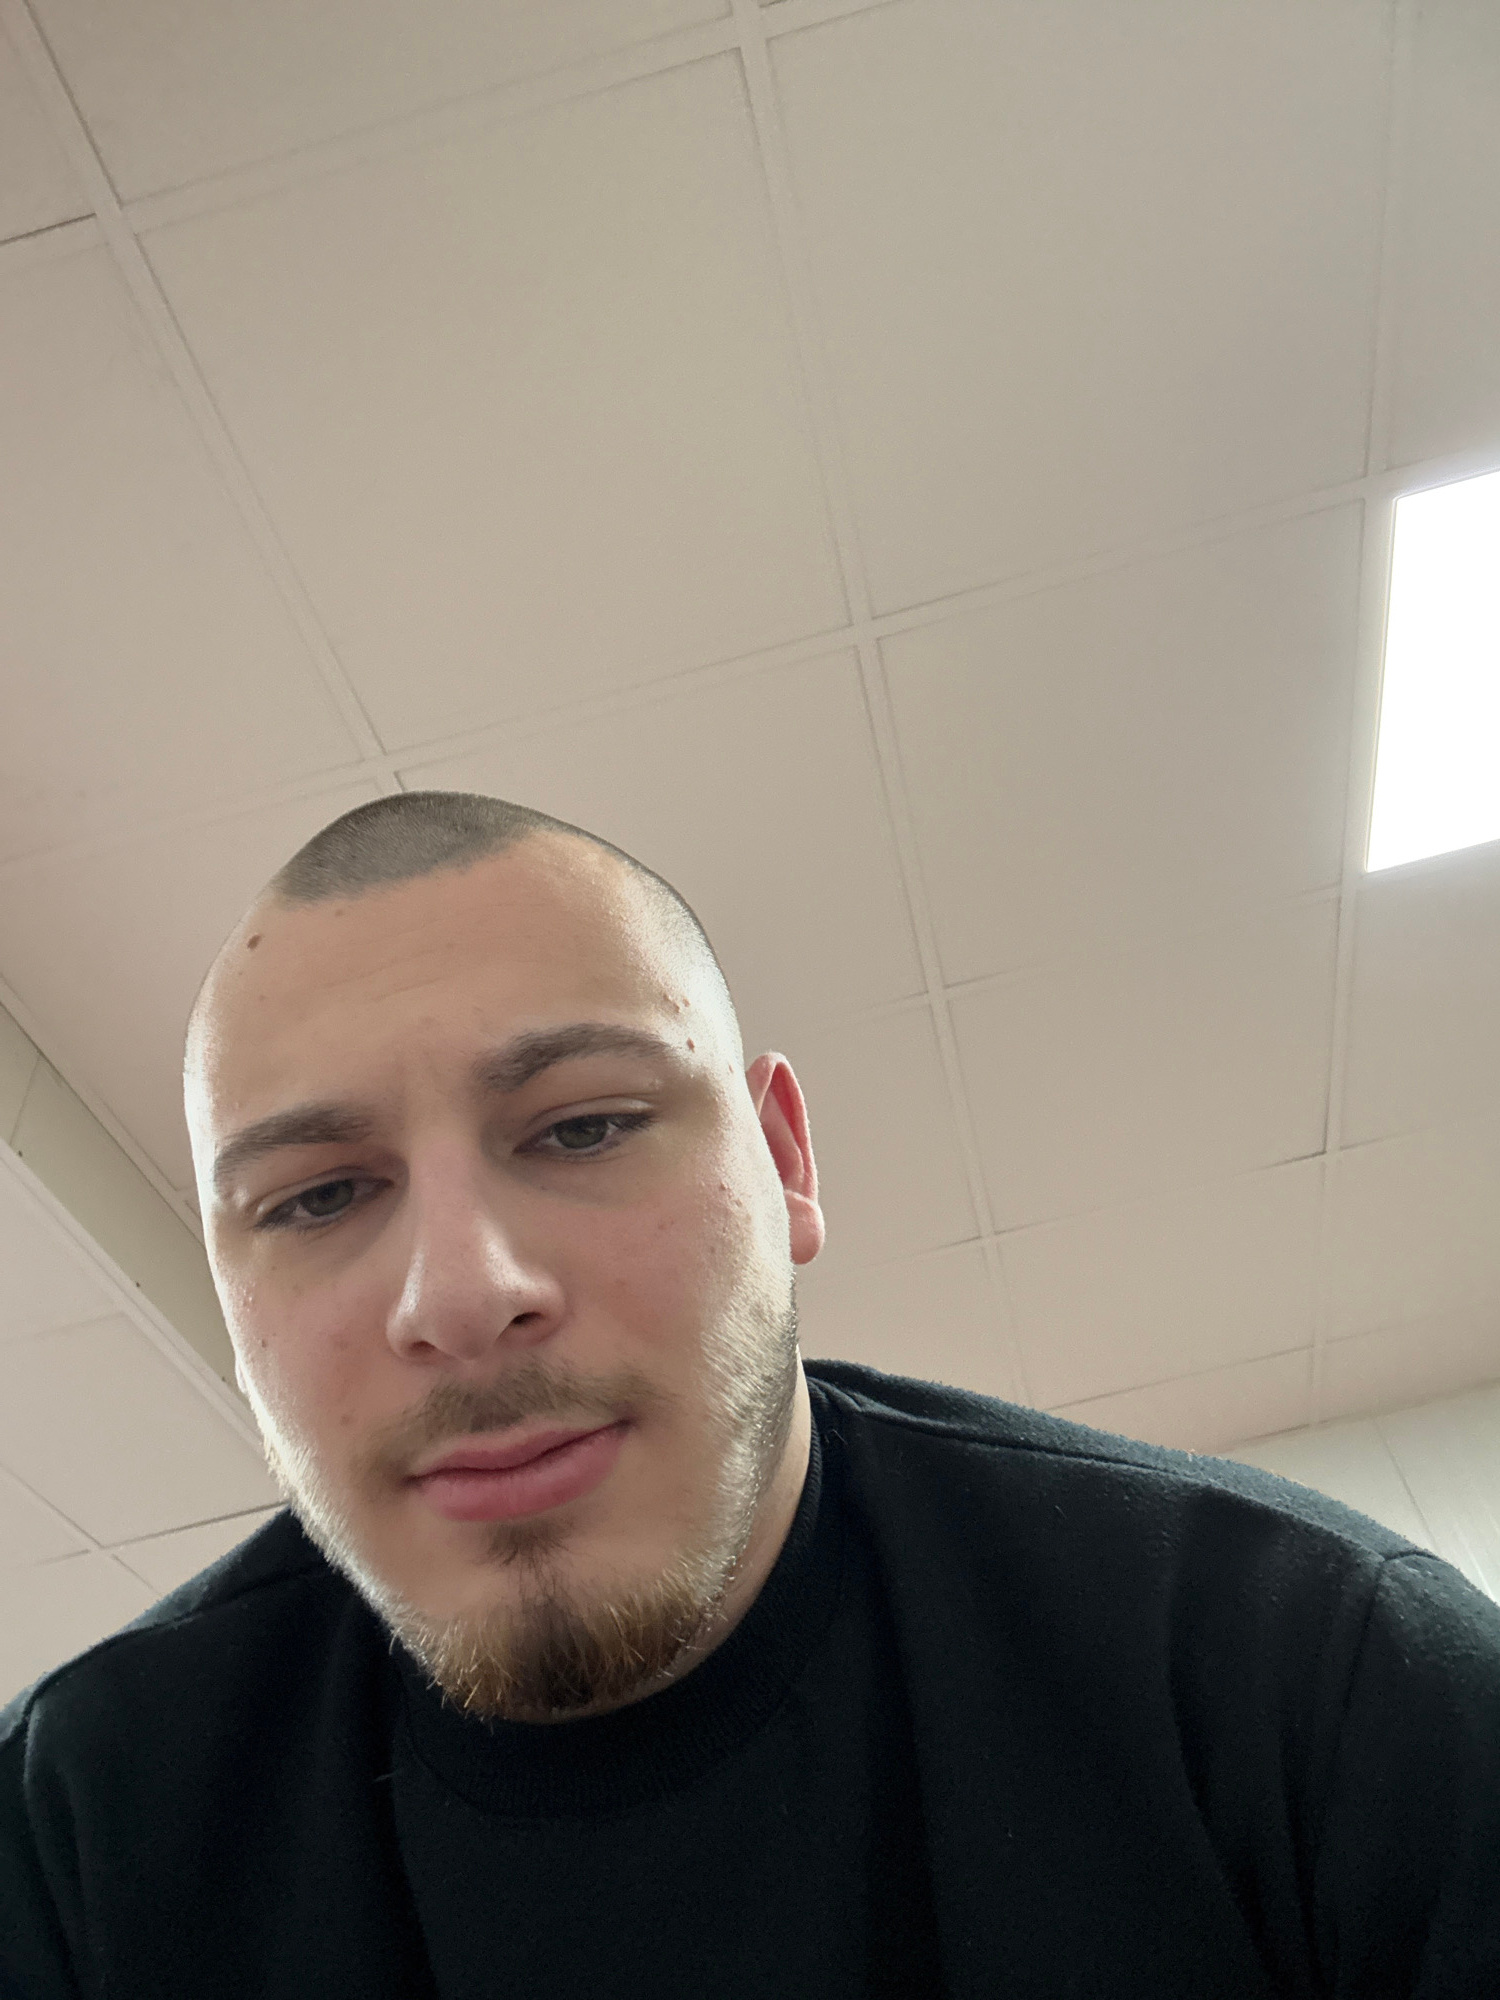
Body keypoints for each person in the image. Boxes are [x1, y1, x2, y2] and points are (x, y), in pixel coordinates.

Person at [2, 790, 1497, 1999]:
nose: (459, 1296)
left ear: (782, 1163)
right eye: (319, 1196)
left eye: (583, 1128)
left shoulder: (1309, 1686)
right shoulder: (69, 1843)